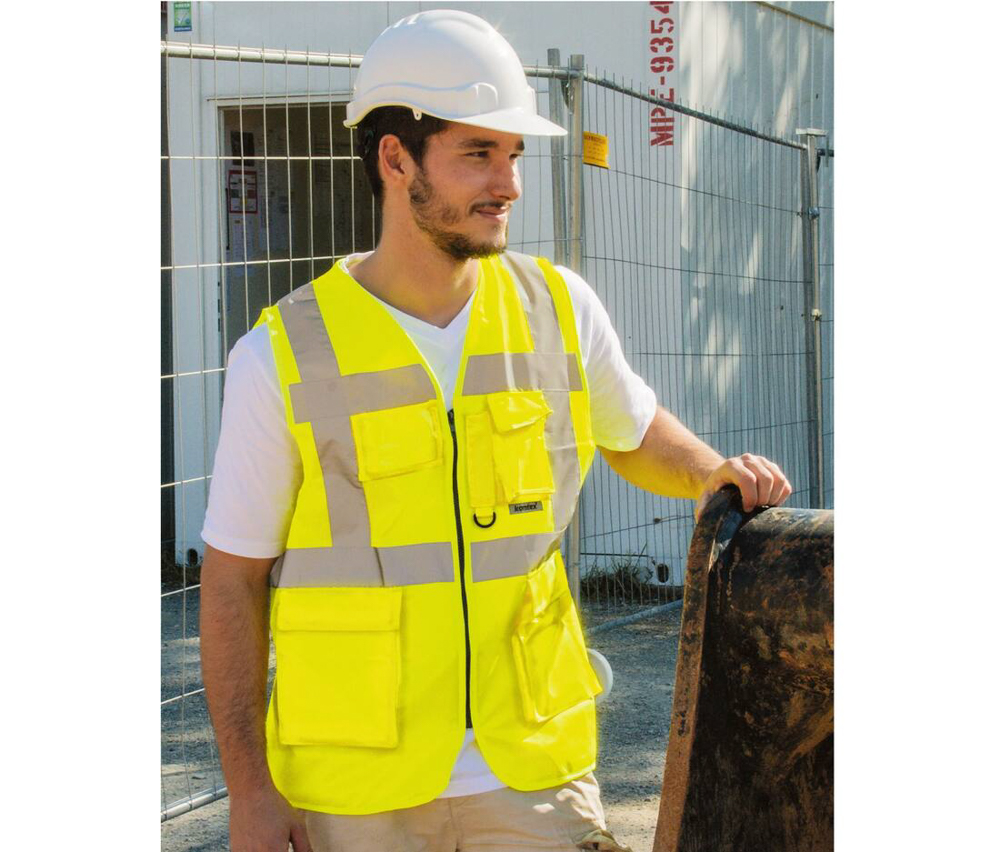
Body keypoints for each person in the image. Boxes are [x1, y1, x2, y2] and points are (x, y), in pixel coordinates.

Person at [199, 10, 792, 852]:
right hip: (355, 791)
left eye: (514, 155)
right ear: (395, 159)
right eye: (478, 153)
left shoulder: (558, 307)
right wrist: (250, 790)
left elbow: (630, 429)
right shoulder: (280, 355)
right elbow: (231, 581)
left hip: (533, 775)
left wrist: (707, 472)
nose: (509, 183)